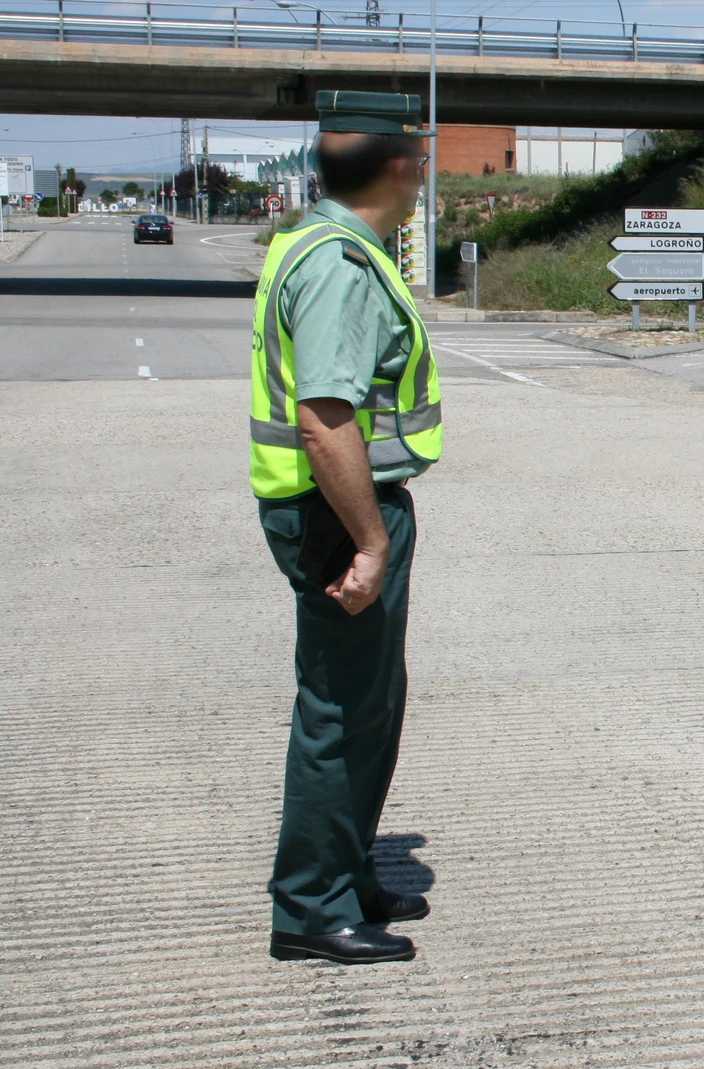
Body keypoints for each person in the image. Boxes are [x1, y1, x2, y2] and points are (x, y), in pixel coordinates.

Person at [250, 91, 442, 965]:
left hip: (340, 509)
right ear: (397, 165)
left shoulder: (321, 244)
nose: (426, 169)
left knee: (370, 703)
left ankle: (344, 869)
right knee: (337, 709)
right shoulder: (338, 264)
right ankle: (312, 906)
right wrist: (370, 541)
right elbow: (325, 421)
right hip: (338, 517)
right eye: (421, 155)